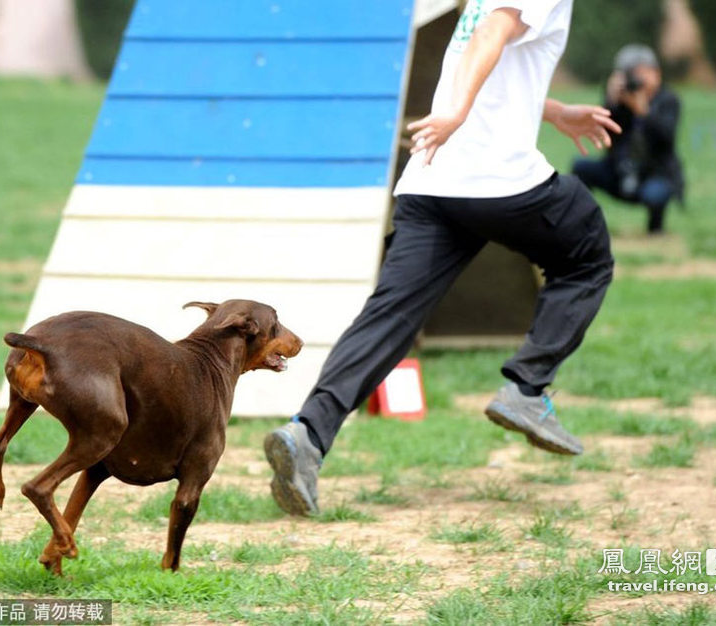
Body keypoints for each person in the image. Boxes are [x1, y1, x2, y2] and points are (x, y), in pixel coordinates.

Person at [264, 0, 619, 516]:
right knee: (588, 253)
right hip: (497, 179)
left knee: (391, 314)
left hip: (431, 183)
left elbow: (498, 61)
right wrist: (455, 115)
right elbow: (491, 36)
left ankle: (307, 436)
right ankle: (527, 387)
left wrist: (553, 110)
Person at [572, 44, 684, 234]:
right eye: (630, 75)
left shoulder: (668, 100)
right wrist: (611, 101)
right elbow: (605, 132)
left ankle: (655, 229)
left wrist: (644, 112)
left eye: (640, 73)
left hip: (655, 173)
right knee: (580, 167)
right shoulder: (620, 102)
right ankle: (586, 224)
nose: (636, 81)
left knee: (655, 193)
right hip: (618, 171)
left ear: (656, 73)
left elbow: (666, 139)